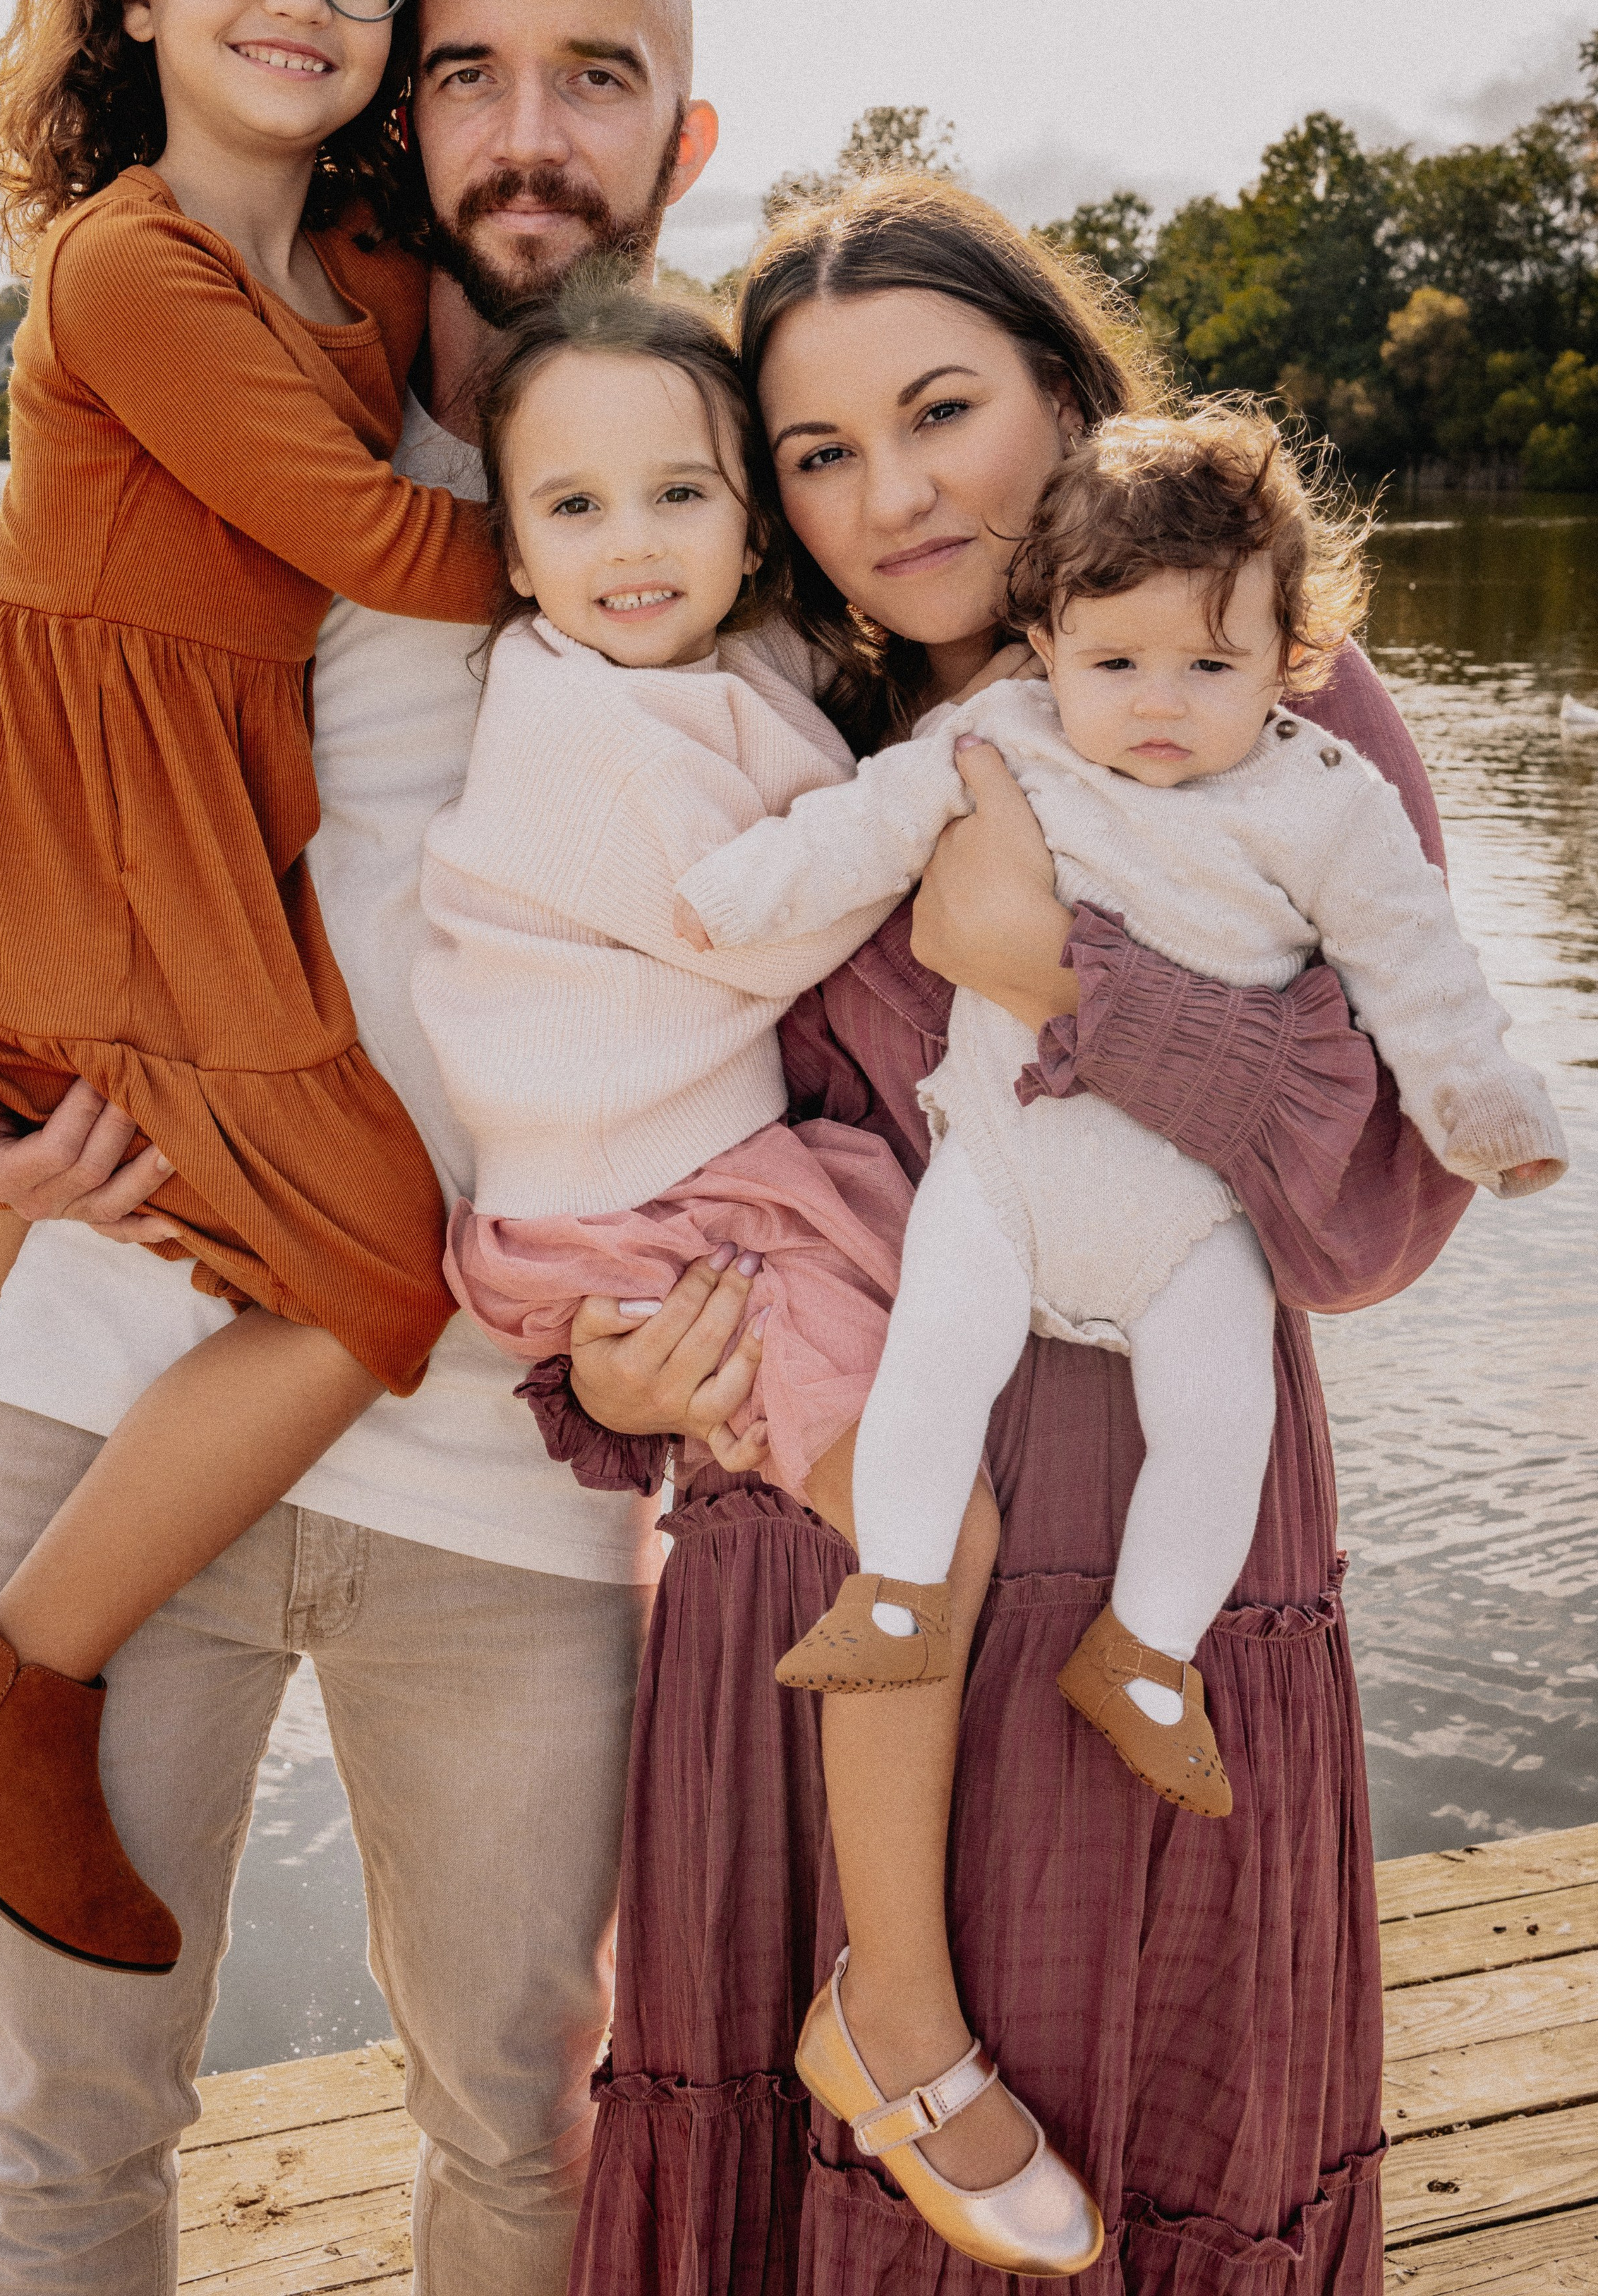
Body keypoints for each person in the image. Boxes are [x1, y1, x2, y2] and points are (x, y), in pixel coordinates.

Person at [0, 0, 720, 2293]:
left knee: (530, 2145)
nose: (524, 131)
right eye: (466, 65)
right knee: (57, 2155)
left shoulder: (741, 487)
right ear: (396, 104)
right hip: (113, 1378)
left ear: (691, 123)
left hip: (523, 1489)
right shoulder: (252, 374)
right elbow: (18, 773)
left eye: (597, 77)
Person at [525, 175, 1480, 2294]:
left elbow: (1381, 1212)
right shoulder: (767, 711)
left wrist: (1073, 981)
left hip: (1140, 1547)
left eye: (942, 408)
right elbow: (590, 1089)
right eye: (817, 452)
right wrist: (596, 1366)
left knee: (1124, 2158)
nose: (892, 493)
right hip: (819, 1541)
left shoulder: (1278, 705)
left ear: (1063, 393)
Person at [0, 0, 500, 1969]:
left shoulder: (371, 265)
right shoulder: (133, 256)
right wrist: (676, 546)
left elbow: (477, 387)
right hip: (75, 818)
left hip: (175, 804)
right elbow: (390, 538)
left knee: (8, 1283)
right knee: (373, 1260)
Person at [411, 266, 1104, 2270]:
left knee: (939, 1467)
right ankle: (889, 2009)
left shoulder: (719, 671)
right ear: (512, 538)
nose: (633, 552)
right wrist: (987, 766)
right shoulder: (588, 723)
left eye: (682, 498)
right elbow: (769, 909)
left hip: (684, 1191)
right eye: (574, 511)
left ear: (746, 516)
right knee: (926, 1525)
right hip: (647, 1215)